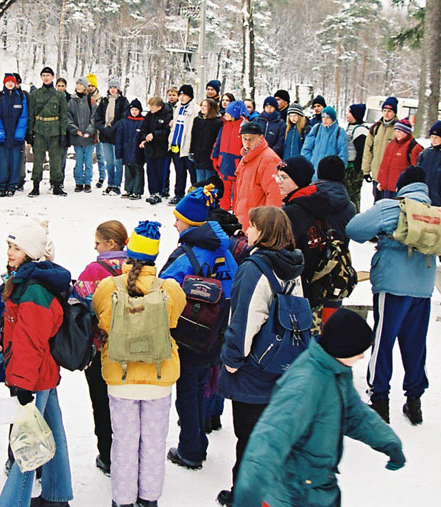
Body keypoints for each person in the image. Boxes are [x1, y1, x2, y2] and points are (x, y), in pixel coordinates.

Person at [230, 309, 405, 507]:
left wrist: (389, 442)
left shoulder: (337, 372)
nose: (362, 357)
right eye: (359, 351)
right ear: (343, 348)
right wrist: (248, 496)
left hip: (319, 489)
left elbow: (355, 414)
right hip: (291, 495)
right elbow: (271, 439)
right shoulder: (304, 385)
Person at [346, 166, 441, 424]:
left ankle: (380, 400)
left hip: (391, 286)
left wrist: (382, 234)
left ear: (402, 187)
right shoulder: (439, 215)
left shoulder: (391, 207)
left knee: (383, 343)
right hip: (422, 289)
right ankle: (414, 402)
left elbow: (354, 230)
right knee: (415, 346)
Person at [215, 206, 305, 505]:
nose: (246, 231)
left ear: (264, 232)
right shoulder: (292, 266)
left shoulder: (255, 268)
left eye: (252, 226)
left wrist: (231, 360)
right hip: (283, 361)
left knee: (249, 437)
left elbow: (244, 321)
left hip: (255, 368)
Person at [92, 220, 186, 507]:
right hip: (159, 378)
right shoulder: (169, 288)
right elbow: (173, 320)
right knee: (154, 444)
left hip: (121, 378)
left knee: (124, 443)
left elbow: (102, 319)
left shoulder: (110, 286)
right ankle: (149, 498)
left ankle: (122, 499)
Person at [159, 187, 237, 471]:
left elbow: (164, 286)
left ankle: (191, 449)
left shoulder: (187, 254)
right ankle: (200, 436)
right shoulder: (225, 251)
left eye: (178, 219)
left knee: (188, 391)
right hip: (217, 333)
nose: (174, 224)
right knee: (203, 385)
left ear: (190, 224)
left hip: (191, 334)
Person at [0, 219, 73, 507]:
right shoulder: (27, 280)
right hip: (42, 374)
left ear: (30, 252)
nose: (9, 252)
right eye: (8, 246)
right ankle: (56, 493)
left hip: (34, 377)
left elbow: (31, 342)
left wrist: (22, 386)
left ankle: (13, 502)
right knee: (53, 430)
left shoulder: (33, 290)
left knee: (27, 443)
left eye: (16, 248)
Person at [72, 220, 129, 475]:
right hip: (132, 348)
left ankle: (107, 455)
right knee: (128, 406)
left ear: (111, 244)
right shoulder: (136, 265)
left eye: (98, 242)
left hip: (100, 348)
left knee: (102, 402)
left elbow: (79, 300)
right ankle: (130, 453)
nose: (95, 247)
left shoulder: (95, 270)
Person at [279, 156, 356, 322]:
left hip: (306, 281)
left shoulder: (307, 203)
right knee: (329, 328)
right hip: (333, 272)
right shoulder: (348, 206)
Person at [27, 67, 69, 197]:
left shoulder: (60, 95)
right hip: (39, 130)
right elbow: (31, 115)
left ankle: (57, 185)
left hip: (55, 130)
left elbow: (63, 116)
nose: (46, 77)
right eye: (43, 75)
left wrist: (63, 134)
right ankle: (35, 186)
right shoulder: (35, 95)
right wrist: (30, 132)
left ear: (52, 77)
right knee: (38, 159)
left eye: (48, 75)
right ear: (41, 77)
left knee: (56, 160)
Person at [234, 121, 283, 231]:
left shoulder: (269, 159)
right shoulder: (246, 157)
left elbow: (275, 195)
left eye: (251, 139)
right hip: (243, 220)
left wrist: (267, 226)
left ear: (261, 138)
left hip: (258, 224)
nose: (247, 143)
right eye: (244, 139)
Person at [0, 73, 29, 197]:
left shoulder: (20, 97)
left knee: (15, 162)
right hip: (2, 137)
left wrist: (20, 133)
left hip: (16, 138)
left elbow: (24, 116)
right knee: (1, 162)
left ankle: (12, 186)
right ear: (4, 83)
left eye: (12, 82)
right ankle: (2, 186)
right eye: (8, 82)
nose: (10, 84)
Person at [94, 78, 129, 196]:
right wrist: (102, 128)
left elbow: (124, 117)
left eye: (115, 87)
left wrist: (113, 127)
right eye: (111, 87)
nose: (113, 89)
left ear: (118, 88)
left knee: (117, 161)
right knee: (108, 161)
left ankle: (117, 185)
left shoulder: (123, 101)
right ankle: (110, 184)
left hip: (117, 135)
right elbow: (97, 117)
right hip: (105, 135)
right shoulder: (104, 101)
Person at [168, 84, 200, 204]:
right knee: (179, 171)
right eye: (180, 95)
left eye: (185, 95)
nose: (182, 98)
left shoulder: (195, 109)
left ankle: (195, 194)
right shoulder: (177, 108)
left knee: (192, 173)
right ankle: (178, 194)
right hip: (177, 144)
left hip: (188, 146)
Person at [375, 118, 422, 199]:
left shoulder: (414, 147)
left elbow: (416, 171)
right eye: (396, 131)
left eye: (400, 131)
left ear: (407, 132)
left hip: (401, 190)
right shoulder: (391, 144)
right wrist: (381, 182)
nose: (397, 134)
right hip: (387, 188)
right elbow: (384, 165)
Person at [363, 96, 398, 200]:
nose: (386, 114)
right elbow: (368, 150)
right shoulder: (375, 127)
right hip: (377, 174)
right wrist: (366, 170)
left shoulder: (399, 128)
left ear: (394, 112)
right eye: (384, 110)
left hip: (392, 177)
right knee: (377, 202)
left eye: (389, 111)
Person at [212, 101, 246, 211]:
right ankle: (223, 212)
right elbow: (217, 143)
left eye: (228, 112)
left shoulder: (243, 128)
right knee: (224, 193)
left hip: (237, 166)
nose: (224, 114)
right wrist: (215, 157)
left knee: (237, 194)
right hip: (224, 163)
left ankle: (237, 216)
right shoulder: (224, 127)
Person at [67, 77, 97, 193]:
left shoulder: (91, 101)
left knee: (88, 161)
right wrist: (75, 130)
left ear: (85, 87)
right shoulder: (72, 101)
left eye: (81, 84)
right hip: (77, 136)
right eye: (77, 84)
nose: (79, 86)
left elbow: (94, 118)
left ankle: (88, 182)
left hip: (89, 137)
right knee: (79, 160)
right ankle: (78, 182)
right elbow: (68, 117)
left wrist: (89, 131)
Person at [141, 97, 171, 205]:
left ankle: (160, 191)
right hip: (150, 147)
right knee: (150, 171)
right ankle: (152, 191)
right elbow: (144, 128)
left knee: (160, 171)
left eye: (152, 106)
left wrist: (155, 135)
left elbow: (167, 131)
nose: (150, 108)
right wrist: (144, 138)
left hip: (161, 148)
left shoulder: (167, 115)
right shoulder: (150, 115)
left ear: (159, 107)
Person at [301, 105, 348, 172]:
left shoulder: (339, 132)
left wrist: (337, 170)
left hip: (330, 172)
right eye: (323, 117)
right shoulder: (316, 128)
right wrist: (309, 163)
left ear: (333, 118)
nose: (325, 120)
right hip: (314, 170)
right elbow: (306, 149)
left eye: (328, 118)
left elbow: (343, 154)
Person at [115, 99, 146, 200]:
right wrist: (119, 151)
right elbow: (119, 136)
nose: (134, 112)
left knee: (138, 170)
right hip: (127, 150)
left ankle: (137, 191)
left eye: (136, 110)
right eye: (132, 109)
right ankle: (128, 189)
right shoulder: (125, 121)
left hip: (138, 152)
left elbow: (144, 135)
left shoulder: (143, 121)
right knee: (128, 171)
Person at [344, 103, 369, 211]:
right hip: (348, 166)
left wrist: (356, 168)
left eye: (349, 112)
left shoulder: (360, 130)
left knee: (353, 196)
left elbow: (362, 151)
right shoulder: (350, 127)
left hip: (353, 168)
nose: (347, 114)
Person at [191, 98, 221, 183]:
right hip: (198, 155)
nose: (203, 108)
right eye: (202, 105)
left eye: (206, 106)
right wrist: (192, 151)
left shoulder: (217, 122)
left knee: (209, 181)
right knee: (200, 181)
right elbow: (194, 137)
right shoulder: (197, 120)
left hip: (210, 156)